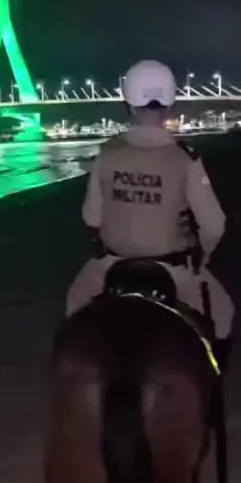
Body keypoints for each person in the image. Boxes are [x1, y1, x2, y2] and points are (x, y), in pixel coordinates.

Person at [66, 59, 235, 368]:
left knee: (73, 311)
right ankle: (213, 384)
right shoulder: (185, 159)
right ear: (168, 104)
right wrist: (203, 258)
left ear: (130, 104)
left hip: (111, 264)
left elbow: (91, 217)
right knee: (224, 315)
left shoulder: (107, 153)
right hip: (174, 270)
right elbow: (215, 225)